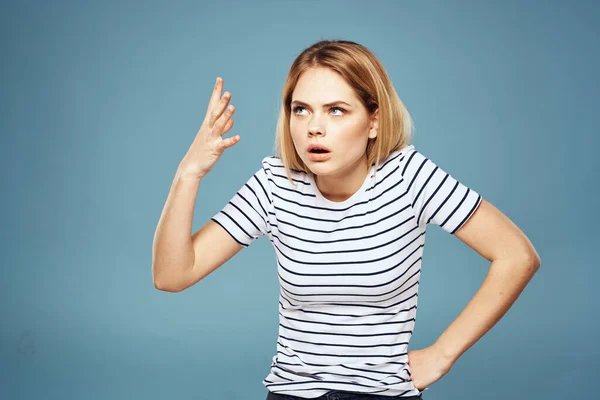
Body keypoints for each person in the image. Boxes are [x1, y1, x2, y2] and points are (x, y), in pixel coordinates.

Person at [152, 40, 541, 400]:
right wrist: (188, 174)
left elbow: (517, 255)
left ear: (373, 121)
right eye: (300, 109)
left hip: (383, 393)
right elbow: (172, 276)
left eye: (336, 110)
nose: (313, 127)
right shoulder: (276, 184)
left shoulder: (407, 176)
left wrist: (442, 354)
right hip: (292, 392)